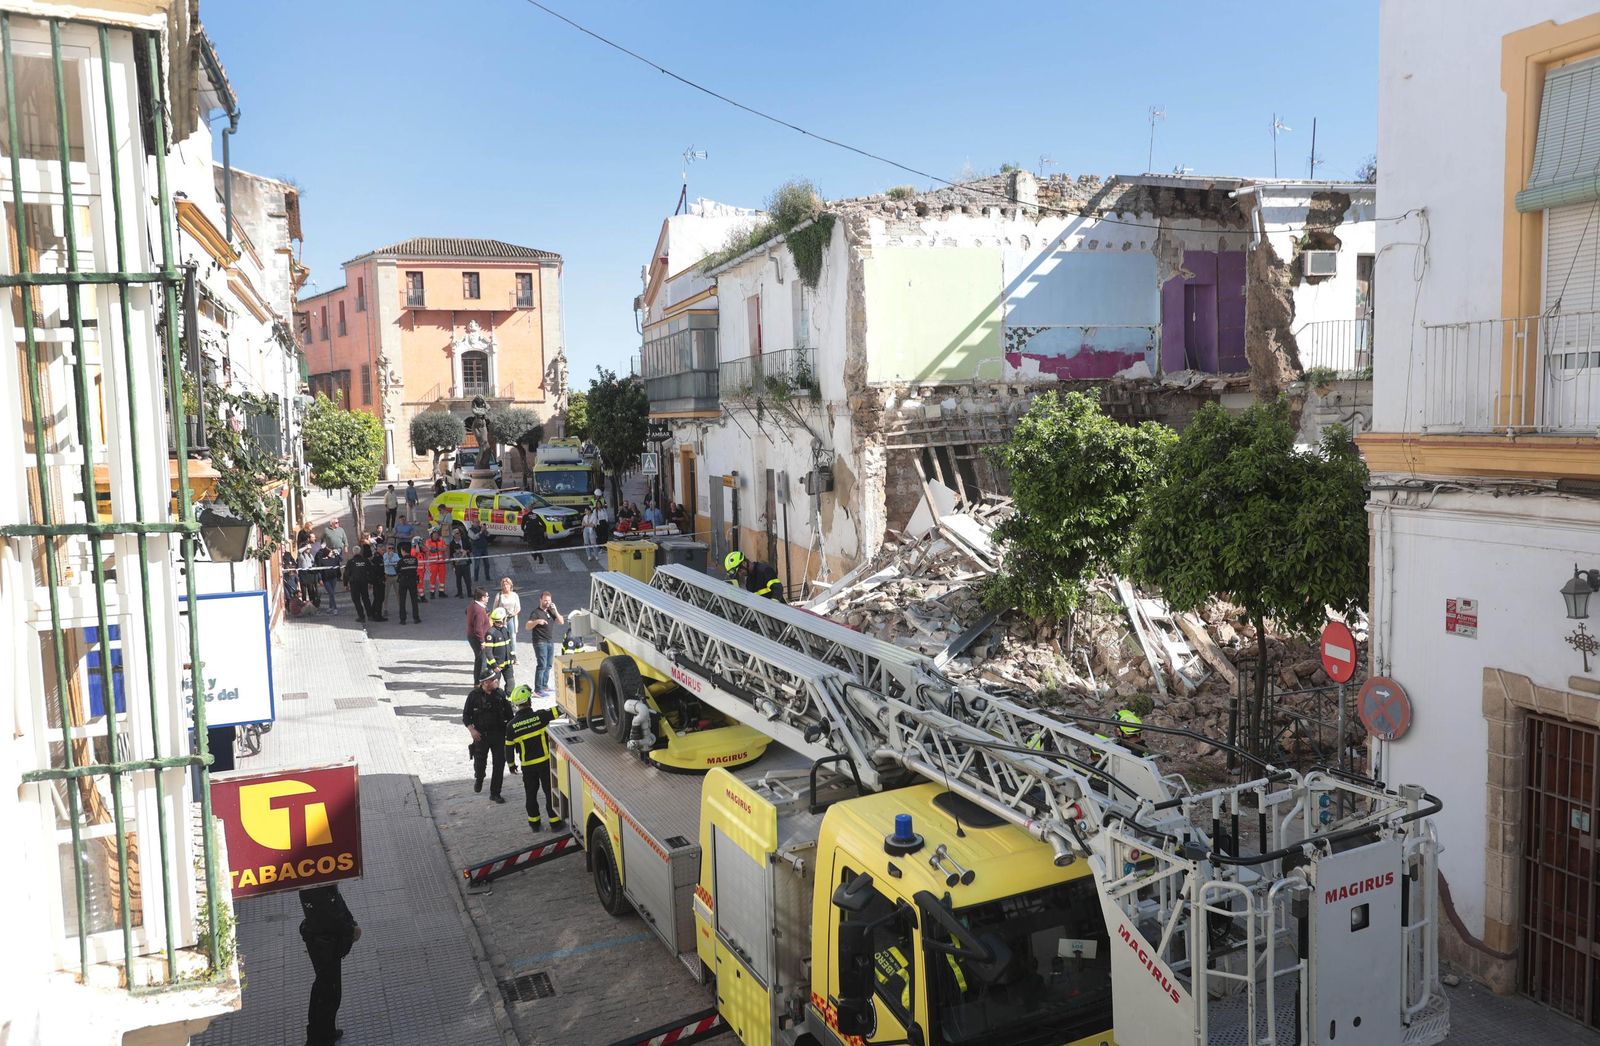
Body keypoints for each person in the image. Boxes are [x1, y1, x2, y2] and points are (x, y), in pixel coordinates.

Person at [299, 883, 360, 1046]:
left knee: (328, 989)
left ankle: (326, 1032)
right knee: (327, 991)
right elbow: (328, 915)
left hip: (323, 939)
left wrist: (351, 923)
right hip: (323, 942)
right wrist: (350, 929)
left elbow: (335, 900)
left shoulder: (319, 877)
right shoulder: (315, 882)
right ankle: (319, 1039)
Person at [507, 684, 561, 831]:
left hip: (527, 766)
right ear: (529, 701)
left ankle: (534, 823)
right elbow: (559, 711)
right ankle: (555, 823)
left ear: (516, 704)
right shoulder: (541, 716)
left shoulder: (511, 726)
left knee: (530, 794)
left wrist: (511, 765)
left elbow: (509, 748)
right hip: (544, 763)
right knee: (549, 792)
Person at [463, 668, 512, 803]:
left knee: (499, 764)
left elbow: (510, 716)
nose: (496, 681)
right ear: (485, 683)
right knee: (480, 764)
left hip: (498, 735)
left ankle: (495, 793)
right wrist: (472, 730)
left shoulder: (500, 695)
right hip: (481, 736)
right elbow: (466, 716)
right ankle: (479, 778)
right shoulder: (473, 696)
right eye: (493, 680)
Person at [526, 590, 564, 697]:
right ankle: (538, 690)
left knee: (548, 665)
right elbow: (527, 626)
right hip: (540, 642)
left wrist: (555, 610)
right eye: (545, 600)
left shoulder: (550, 611)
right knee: (542, 665)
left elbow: (561, 621)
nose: (547, 602)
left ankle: (544, 685)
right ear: (540, 600)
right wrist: (537, 622)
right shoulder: (536, 612)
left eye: (549, 600)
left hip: (549, 641)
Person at [484, 607, 516, 691]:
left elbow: (509, 645)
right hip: (496, 666)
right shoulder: (491, 633)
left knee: (511, 684)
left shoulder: (505, 630)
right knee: (494, 687)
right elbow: (488, 652)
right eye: (505, 618)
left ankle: (508, 702)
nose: (506, 619)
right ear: (502, 619)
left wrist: (513, 657)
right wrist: (494, 665)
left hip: (507, 665)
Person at [344, 542, 373, 623]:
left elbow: (346, 574)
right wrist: (370, 582)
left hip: (354, 583)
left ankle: (361, 617)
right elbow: (370, 571)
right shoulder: (365, 560)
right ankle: (370, 615)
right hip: (364, 582)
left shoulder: (350, 562)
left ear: (353, 552)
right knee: (366, 599)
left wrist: (345, 584)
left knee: (356, 600)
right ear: (360, 552)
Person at [492, 577, 522, 653]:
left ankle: (513, 655)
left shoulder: (514, 595)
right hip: (502, 620)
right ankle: (505, 655)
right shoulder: (499, 595)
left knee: (513, 637)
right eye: (504, 585)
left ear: (510, 585)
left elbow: (518, 608)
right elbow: (494, 608)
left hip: (512, 618)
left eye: (507, 584)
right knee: (503, 637)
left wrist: (514, 613)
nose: (505, 586)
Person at [467, 588, 492, 677]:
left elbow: (467, 612)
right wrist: (482, 641)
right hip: (477, 638)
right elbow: (478, 629)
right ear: (482, 598)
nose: (488, 598)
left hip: (472, 636)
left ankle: (477, 682)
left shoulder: (473, 605)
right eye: (487, 596)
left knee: (479, 659)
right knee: (482, 660)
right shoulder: (480, 611)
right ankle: (481, 682)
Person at [396, 540, 422, 625]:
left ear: (403, 551)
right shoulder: (415, 559)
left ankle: (403, 620)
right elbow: (416, 568)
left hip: (403, 581)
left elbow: (397, 571)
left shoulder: (401, 561)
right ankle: (416, 618)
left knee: (402, 601)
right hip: (413, 581)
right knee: (414, 600)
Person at [423, 527, 449, 600]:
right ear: (431, 534)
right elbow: (431, 550)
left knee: (442, 578)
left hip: (441, 562)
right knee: (432, 578)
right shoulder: (428, 541)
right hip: (433, 563)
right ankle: (432, 592)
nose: (436, 535)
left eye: (437, 534)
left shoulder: (441, 540)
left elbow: (445, 548)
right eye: (434, 534)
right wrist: (439, 548)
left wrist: (436, 549)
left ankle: (441, 592)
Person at [315, 545, 342, 615]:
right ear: (326, 553)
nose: (331, 554)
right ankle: (335, 608)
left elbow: (340, 560)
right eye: (330, 552)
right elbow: (319, 571)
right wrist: (320, 579)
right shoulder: (321, 560)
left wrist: (337, 554)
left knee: (331, 593)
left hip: (333, 578)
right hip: (326, 579)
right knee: (331, 593)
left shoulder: (333, 559)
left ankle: (330, 607)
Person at [297, 544, 321, 609]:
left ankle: (312, 606)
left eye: (309, 548)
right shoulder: (301, 555)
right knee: (304, 592)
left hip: (310, 575)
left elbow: (313, 562)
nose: (308, 549)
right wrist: (306, 547)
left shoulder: (310, 555)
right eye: (307, 548)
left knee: (311, 591)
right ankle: (304, 606)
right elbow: (299, 551)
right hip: (303, 575)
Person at [450, 531, 473, 598]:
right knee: (458, 579)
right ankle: (460, 593)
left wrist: (465, 551)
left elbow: (470, 549)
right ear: (454, 535)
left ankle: (469, 593)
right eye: (457, 533)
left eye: (459, 533)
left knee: (467, 579)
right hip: (457, 565)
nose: (459, 534)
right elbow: (451, 554)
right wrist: (453, 564)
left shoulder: (465, 540)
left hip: (466, 563)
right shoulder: (452, 543)